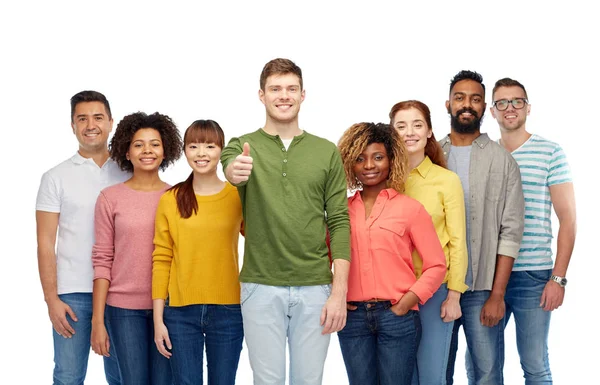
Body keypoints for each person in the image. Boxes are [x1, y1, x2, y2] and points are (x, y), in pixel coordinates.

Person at [220, 58, 350, 385]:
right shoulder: (242, 145)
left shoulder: (326, 151)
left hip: (316, 286)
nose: (284, 95)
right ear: (261, 95)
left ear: (303, 95)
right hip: (260, 286)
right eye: (275, 89)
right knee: (267, 381)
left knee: (309, 381)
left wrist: (339, 291)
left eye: (291, 88)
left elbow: (339, 221)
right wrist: (235, 171)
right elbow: (230, 165)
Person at [336, 121, 446, 385]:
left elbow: (436, 265)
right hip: (352, 321)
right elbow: (323, 258)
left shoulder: (410, 209)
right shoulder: (341, 212)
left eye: (377, 157)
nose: (369, 166)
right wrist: (336, 294)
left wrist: (409, 300)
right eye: (360, 159)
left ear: (391, 160)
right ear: (350, 163)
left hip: (397, 317)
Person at [36, 90, 126, 385]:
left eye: (98, 117)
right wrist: (52, 299)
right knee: (68, 377)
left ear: (111, 122)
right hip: (73, 294)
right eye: (82, 118)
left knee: (125, 377)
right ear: (72, 125)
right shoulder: (55, 177)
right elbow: (45, 244)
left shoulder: (130, 171)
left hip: (122, 292)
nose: (91, 125)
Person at [441, 70, 525, 385]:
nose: (467, 104)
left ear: (483, 107)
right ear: (447, 104)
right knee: (437, 373)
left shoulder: (503, 162)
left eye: (476, 99)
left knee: (488, 374)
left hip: (482, 289)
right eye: (460, 97)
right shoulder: (431, 156)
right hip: (437, 289)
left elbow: (511, 232)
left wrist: (497, 294)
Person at [491, 77, 576, 384]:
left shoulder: (550, 152)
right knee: (483, 366)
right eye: (502, 102)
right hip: (487, 275)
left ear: (528, 108)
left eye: (517, 101)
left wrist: (557, 278)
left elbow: (568, 218)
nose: (509, 108)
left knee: (534, 363)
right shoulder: (486, 153)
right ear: (492, 111)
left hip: (533, 275)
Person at [91, 111, 182, 385]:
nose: (147, 150)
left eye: (154, 144)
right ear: (127, 152)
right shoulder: (110, 198)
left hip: (169, 307)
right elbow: (102, 259)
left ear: (165, 150)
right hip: (123, 309)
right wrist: (98, 320)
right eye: (139, 144)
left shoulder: (178, 196)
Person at [152, 119, 244, 385]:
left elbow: (261, 241)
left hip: (228, 309)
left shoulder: (237, 196)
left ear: (221, 151)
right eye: (193, 146)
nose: (201, 153)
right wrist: (159, 319)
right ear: (184, 151)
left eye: (209, 146)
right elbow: (161, 259)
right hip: (180, 313)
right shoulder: (170, 199)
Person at [389, 100, 468, 385]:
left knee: (433, 376)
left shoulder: (446, 181)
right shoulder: (384, 180)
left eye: (417, 124)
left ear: (430, 132)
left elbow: (458, 240)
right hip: (394, 292)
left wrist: (455, 294)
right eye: (401, 126)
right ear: (392, 133)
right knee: (402, 377)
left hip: (436, 292)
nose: (410, 132)